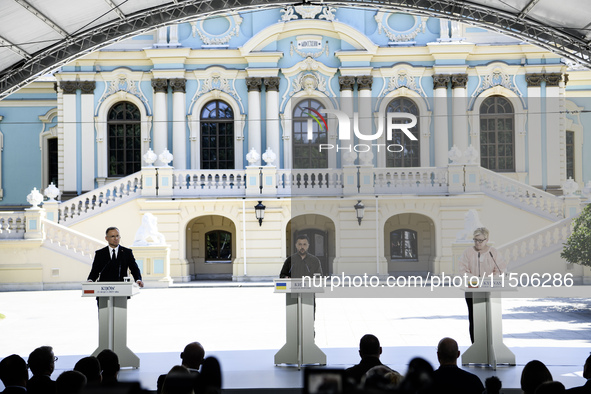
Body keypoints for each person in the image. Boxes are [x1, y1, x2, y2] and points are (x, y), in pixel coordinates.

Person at [459, 227, 506, 343]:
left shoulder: (493, 252)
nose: (477, 243)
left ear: (487, 239)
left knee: (488, 319)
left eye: (480, 240)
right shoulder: (468, 252)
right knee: (474, 319)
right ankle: (475, 345)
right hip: (472, 291)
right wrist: (475, 280)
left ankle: (488, 344)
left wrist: (488, 281)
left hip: (489, 291)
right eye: (475, 240)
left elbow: (500, 270)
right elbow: (462, 270)